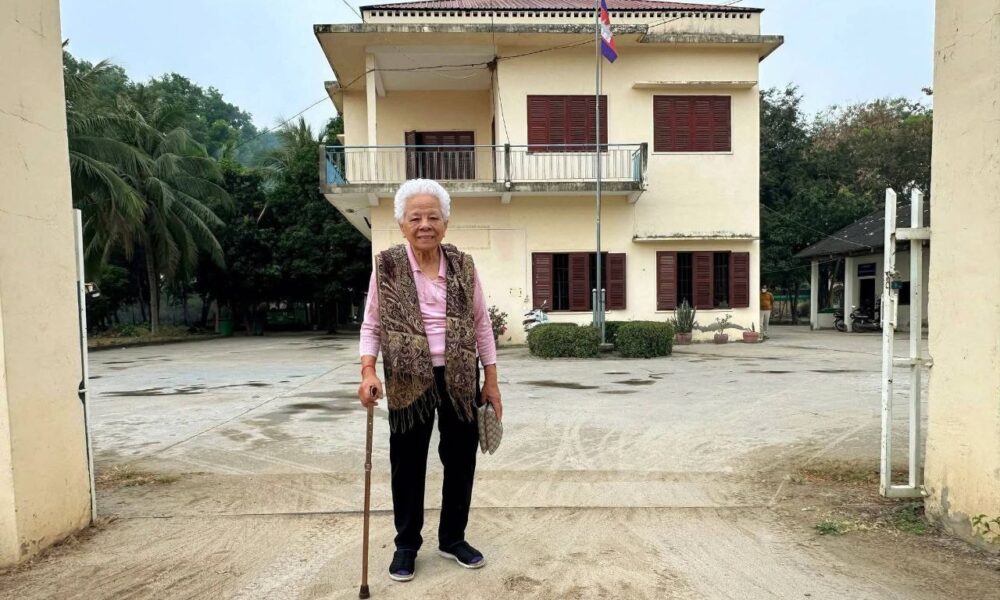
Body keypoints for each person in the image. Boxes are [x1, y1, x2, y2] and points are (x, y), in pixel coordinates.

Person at [357, 178, 503, 583]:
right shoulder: (387, 266)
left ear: (445, 223)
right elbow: (372, 324)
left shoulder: (463, 265)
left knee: (460, 458)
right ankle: (406, 543)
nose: (425, 225)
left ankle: (453, 538)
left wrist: (491, 381)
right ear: (402, 224)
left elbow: (481, 324)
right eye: (416, 217)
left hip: (460, 375)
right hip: (407, 376)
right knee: (407, 462)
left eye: (433, 217)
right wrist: (368, 370)